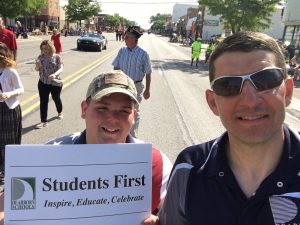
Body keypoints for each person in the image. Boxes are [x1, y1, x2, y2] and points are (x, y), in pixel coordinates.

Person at [143, 32, 299, 225]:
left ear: (288, 92)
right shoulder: (188, 168)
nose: (250, 100)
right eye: (228, 86)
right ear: (212, 103)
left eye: (266, 80)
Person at [46, 70, 172, 215]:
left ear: (134, 116)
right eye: (102, 108)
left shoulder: (157, 165)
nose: (112, 119)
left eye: (124, 111)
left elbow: (173, 216)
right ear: (84, 109)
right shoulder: (49, 158)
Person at [112, 26, 152, 138]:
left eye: (127, 37)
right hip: (122, 85)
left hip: (136, 86)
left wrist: (148, 90)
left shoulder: (143, 53)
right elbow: (116, 67)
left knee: (134, 111)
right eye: (125, 36)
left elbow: (148, 72)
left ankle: (132, 137)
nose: (124, 38)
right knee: (120, 108)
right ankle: (120, 134)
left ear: (134, 40)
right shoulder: (122, 51)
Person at [0, 42, 24, 191]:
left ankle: (9, 173)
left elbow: (21, 88)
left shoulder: (10, 71)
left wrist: (9, 94)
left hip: (8, 109)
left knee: (7, 145)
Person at [35, 40, 63, 129]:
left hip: (55, 83)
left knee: (56, 99)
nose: (44, 50)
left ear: (50, 47)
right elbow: (37, 69)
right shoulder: (40, 57)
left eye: (46, 48)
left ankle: (59, 111)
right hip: (43, 82)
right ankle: (44, 121)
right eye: (42, 49)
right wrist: (37, 66)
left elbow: (61, 67)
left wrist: (54, 74)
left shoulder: (57, 57)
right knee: (43, 102)